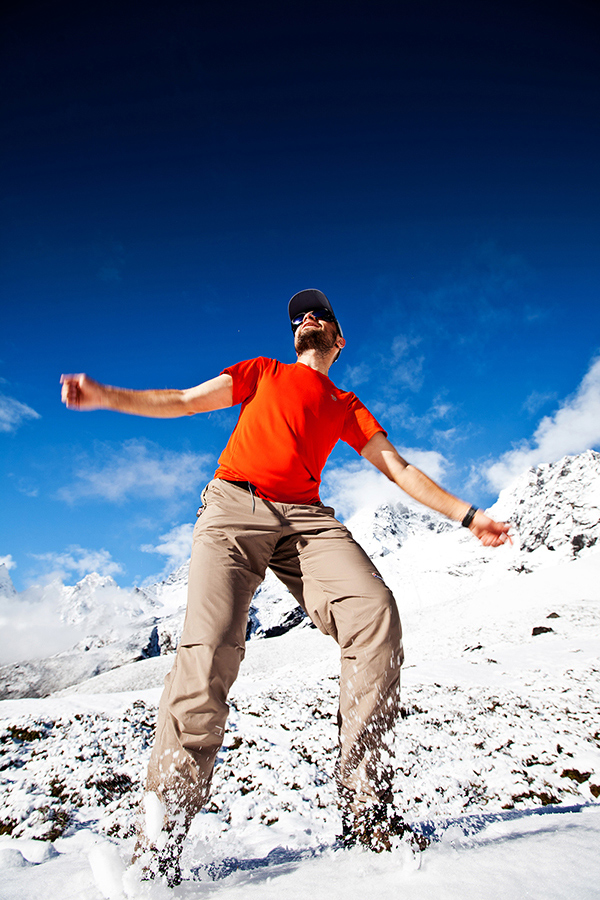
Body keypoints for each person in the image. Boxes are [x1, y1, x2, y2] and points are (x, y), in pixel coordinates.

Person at [61, 289, 510, 883]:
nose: (306, 319)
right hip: (234, 504)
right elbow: (187, 401)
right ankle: (159, 842)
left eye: (319, 314)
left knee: (374, 612)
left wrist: (468, 515)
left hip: (306, 518)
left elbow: (398, 468)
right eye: (299, 316)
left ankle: (366, 811)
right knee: (209, 650)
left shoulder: (344, 404)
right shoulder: (263, 372)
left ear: (338, 339)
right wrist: (106, 395)